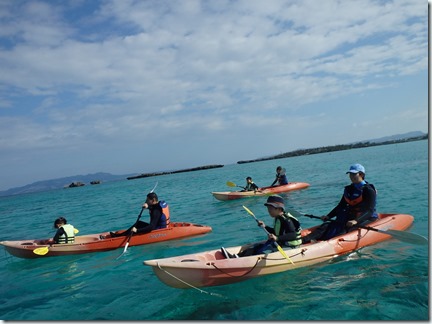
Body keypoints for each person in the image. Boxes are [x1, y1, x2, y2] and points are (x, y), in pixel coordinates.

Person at [302, 163, 378, 244]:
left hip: (366, 218)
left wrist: (356, 221)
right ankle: (303, 240)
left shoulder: (369, 190)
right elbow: (341, 206)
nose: (351, 176)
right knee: (326, 225)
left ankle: (327, 244)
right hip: (351, 217)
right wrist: (328, 216)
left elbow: (370, 211)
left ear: (361, 174)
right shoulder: (349, 189)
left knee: (346, 230)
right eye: (350, 174)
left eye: (353, 174)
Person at [221, 195, 302, 258]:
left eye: (271, 208)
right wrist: (265, 226)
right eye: (268, 208)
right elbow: (277, 232)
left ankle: (241, 260)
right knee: (256, 247)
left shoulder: (286, 220)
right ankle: (237, 257)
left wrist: (277, 238)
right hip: (281, 243)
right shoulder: (277, 218)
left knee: (262, 252)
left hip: (290, 246)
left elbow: (293, 235)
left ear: (279, 209)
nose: (269, 210)